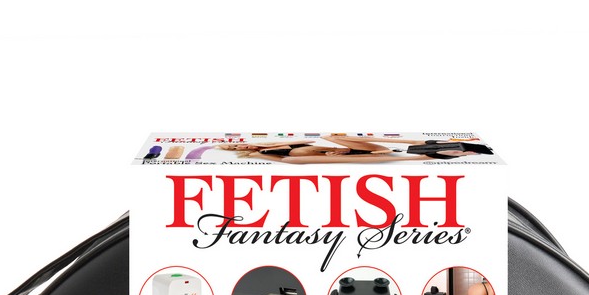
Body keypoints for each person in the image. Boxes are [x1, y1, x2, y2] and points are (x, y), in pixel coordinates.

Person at [209, 135, 494, 164]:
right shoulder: (266, 153)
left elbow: (328, 138)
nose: (241, 144)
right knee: (404, 154)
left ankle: (464, 149)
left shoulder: (274, 143)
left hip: (345, 150)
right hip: (335, 157)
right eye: (234, 147)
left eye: (235, 141)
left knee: (406, 152)